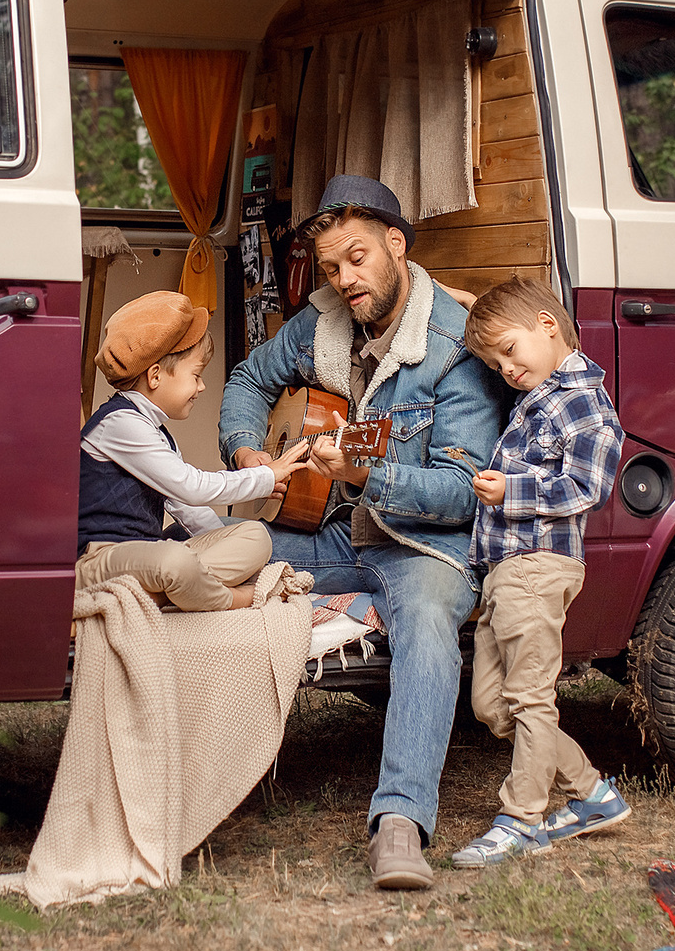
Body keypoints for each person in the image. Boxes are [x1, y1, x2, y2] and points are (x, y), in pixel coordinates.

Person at [219, 174, 515, 890]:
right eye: (330, 268)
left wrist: (364, 474)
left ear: (395, 242)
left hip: (425, 546)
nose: (344, 279)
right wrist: (246, 449)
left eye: (357, 258)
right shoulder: (321, 322)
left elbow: (459, 494)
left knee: (425, 624)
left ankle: (400, 824)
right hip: (339, 535)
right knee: (216, 561)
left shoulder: (452, 345)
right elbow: (248, 378)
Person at [445, 276, 632, 867]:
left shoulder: (580, 399)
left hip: (538, 566)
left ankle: (522, 817)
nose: (506, 368)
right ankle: (592, 794)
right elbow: (517, 325)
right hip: (506, 571)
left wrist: (511, 491)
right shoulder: (542, 386)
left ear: (548, 328)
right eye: (495, 361)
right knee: (493, 704)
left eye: (509, 352)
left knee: (529, 696)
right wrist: (480, 310)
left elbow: (589, 485)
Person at [78, 291, 311, 611]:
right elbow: (192, 486)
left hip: (146, 559)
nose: (201, 387)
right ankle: (229, 598)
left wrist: (230, 546)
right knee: (174, 560)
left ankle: (172, 591)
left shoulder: (155, 433)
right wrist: (264, 477)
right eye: (196, 376)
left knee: (257, 536)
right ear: (156, 376)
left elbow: (187, 507)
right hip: (100, 559)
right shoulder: (119, 424)